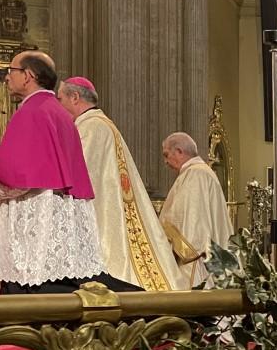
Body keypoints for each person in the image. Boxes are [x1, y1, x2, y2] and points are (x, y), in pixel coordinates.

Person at [0, 52, 104, 294]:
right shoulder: (58, 112)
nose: (7, 77)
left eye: (11, 70)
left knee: (28, 286)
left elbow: (15, 177)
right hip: (55, 213)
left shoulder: (32, 112)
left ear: (28, 76)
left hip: (34, 218)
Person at [58, 77, 185, 291]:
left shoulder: (91, 128)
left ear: (75, 97)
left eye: (60, 99)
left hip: (101, 218)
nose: (58, 105)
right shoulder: (100, 125)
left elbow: (76, 177)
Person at [158, 132, 233, 287]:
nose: (165, 162)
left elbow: (189, 226)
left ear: (179, 151)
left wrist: (160, 235)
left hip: (197, 263)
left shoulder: (196, 174)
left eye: (167, 155)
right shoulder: (200, 172)